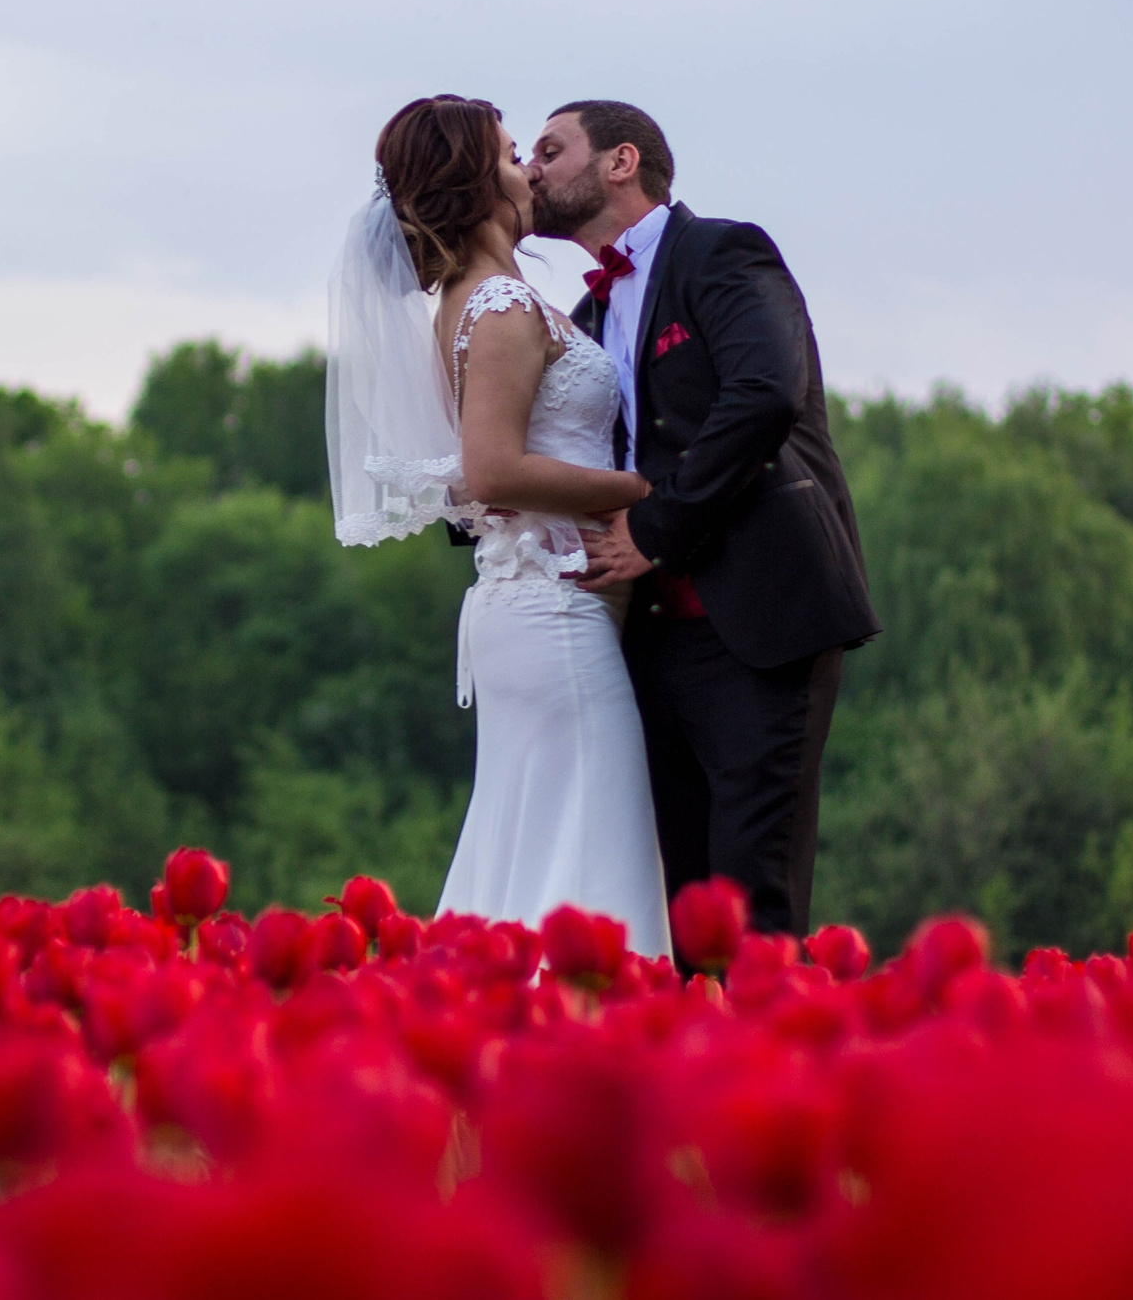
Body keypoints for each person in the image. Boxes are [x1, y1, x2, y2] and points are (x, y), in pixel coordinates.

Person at [326, 94, 671, 956]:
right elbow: (492, 469)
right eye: (515, 154)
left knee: (538, 849)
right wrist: (639, 489)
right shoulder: (501, 306)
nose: (530, 171)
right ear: (477, 181)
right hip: (552, 615)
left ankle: (492, 1030)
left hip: (532, 606)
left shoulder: (476, 300)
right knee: (594, 857)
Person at [528, 99, 879, 943]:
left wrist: (654, 530)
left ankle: (778, 1073)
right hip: (646, 642)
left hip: (759, 618)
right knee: (683, 912)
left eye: (550, 148)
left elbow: (764, 395)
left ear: (620, 161)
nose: (532, 168)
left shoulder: (724, 252)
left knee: (754, 901)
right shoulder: (582, 322)